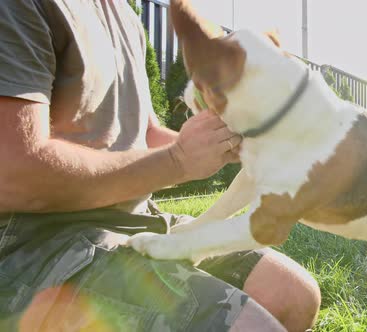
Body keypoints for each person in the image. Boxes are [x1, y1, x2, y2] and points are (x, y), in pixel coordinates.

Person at [0, 1, 321, 331]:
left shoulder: (122, 14)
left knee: (292, 295)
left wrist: (230, 145)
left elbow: (145, 134)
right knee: (253, 326)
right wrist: (177, 161)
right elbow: (14, 175)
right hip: (35, 245)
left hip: (135, 221)